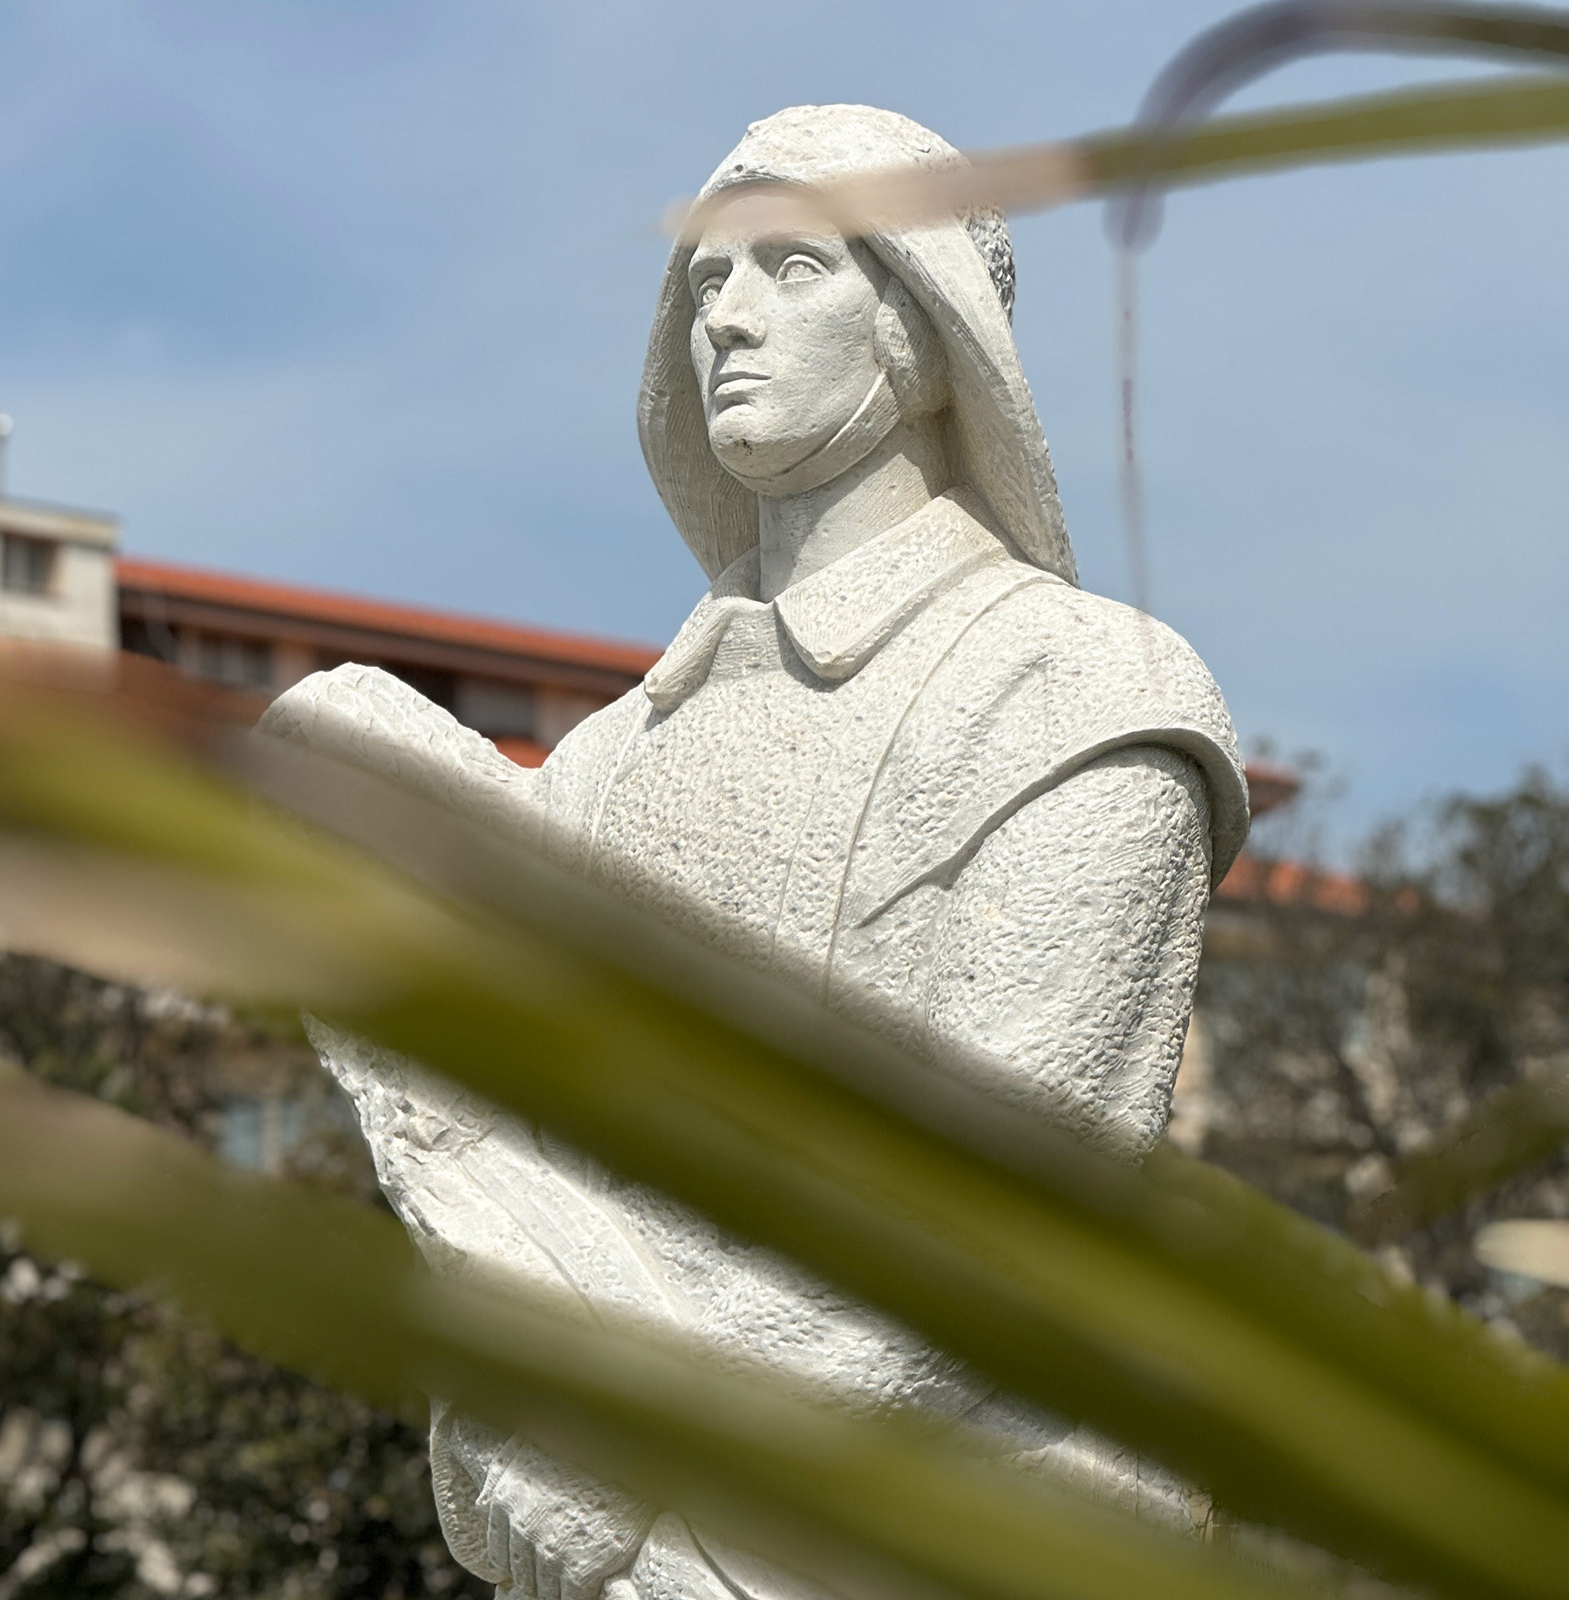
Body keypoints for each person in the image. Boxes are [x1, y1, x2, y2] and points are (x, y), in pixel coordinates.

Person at [262, 103, 1248, 1600]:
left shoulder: (1080, 696)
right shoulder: (607, 765)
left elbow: (998, 1211)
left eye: (791, 269)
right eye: (707, 282)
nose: (727, 316)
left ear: (923, 327)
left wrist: (654, 1461)